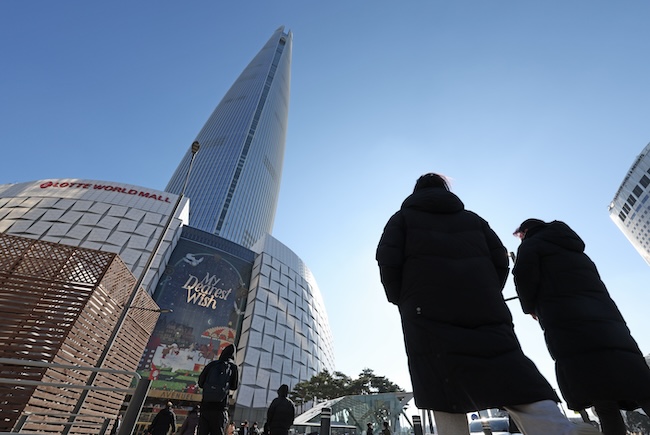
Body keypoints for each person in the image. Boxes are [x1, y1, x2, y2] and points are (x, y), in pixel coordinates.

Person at [375, 173, 600, 435]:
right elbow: (501, 258)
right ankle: (559, 430)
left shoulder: (401, 219)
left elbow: (387, 260)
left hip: (424, 310)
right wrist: (489, 290)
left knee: (442, 382)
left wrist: (400, 297)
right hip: (483, 306)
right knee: (510, 371)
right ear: (446, 190)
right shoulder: (473, 219)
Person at [512, 218, 650, 435]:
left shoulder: (531, 245)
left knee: (602, 399)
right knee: (639, 384)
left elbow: (523, 276)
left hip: (569, 324)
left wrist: (529, 307)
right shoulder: (574, 249)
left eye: (519, 234)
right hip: (608, 323)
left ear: (526, 231)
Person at [198, 344, 239, 435]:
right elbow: (234, 386)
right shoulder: (233, 367)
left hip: (205, 406)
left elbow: (200, 383)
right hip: (220, 407)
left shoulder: (212, 364)